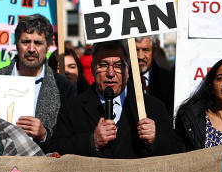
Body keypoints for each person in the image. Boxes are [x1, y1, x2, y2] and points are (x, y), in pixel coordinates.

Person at [45, 40, 182, 158]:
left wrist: (155, 139)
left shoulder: (152, 107)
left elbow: (176, 150)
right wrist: (92, 142)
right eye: (103, 65)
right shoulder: (72, 109)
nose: (110, 73)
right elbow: (55, 149)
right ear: (92, 69)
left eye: (118, 66)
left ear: (128, 70)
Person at [0, 14, 76, 143]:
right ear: (16, 44)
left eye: (38, 43)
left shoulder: (65, 88)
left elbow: (71, 137)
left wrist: (44, 134)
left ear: (48, 46)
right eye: (26, 42)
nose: (31, 49)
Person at [135, 35, 174, 115]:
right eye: (136, 50)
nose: (140, 56)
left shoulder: (169, 80)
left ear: (154, 50)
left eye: (145, 50)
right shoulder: (121, 81)